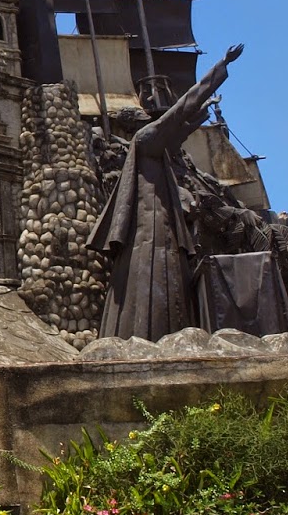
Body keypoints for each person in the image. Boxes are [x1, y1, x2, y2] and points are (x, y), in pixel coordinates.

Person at [92, 44, 244, 340]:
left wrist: (203, 112)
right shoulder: (148, 137)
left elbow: (180, 129)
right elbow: (181, 110)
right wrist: (220, 67)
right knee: (156, 273)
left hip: (157, 219)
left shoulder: (153, 145)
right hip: (152, 223)